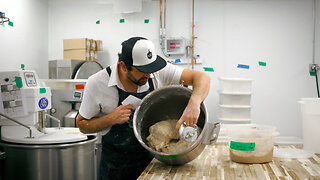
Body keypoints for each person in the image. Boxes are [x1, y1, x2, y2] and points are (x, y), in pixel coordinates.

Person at [76, 36, 210, 180]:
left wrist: (194, 103)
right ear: (123, 66)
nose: (149, 74)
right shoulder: (97, 83)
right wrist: (110, 119)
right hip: (115, 169)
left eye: (151, 69)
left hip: (152, 165)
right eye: (142, 70)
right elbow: (82, 125)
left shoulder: (157, 71)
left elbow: (202, 78)